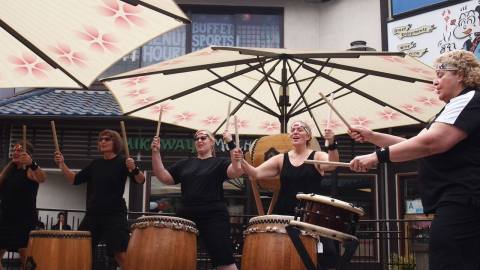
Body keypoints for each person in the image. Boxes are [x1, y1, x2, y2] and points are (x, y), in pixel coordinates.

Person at [348, 50, 480, 270]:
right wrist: (373, 137)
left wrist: (375, 157)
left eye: (440, 74)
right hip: (460, 201)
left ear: (460, 74)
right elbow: (415, 144)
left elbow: (430, 144)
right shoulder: (454, 107)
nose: (434, 81)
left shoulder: (468, 99)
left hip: (464, 199)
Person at [238, 121, 340, 269]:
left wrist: (331, 143)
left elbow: (332, 164)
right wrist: (240, 159)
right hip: (285, 216)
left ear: (308, 136)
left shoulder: (317, 155)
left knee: (325, 258)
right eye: (293, 130)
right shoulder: (281, 159)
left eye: (300, 129)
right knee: (284, 256)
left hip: (312, 216)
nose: (295, 132)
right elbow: (255, 174)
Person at [151, 130, 243, 270]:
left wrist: (230, 143)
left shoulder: (219, 162)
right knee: (178, 258)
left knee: (223, 260)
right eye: (197, 138)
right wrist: (156, 152)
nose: (199, 140)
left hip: (213, 215)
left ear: (212, 142)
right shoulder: (185, 163)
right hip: (186, 215)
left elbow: (237, 170)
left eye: (203, 138)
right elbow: (163, 176)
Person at [54, 129, 145, 269]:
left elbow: (140, 180)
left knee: (119, 253)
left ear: (115, 142)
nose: (102, 141)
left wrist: (134, 169)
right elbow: (74, 179)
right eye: (100, 139)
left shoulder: (123, 162)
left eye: (107, 139)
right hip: (94, 213)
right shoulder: (95, 164)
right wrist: (62, 164)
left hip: (114, 213)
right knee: (80, 247)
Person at [0, 141, 47, 270]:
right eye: (14, 150)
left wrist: (32, 163)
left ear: (27, 154)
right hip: (5, 219)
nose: (15, 152)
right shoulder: (9, 170)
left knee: (27, 261)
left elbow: (42, 178)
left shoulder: (30, 170)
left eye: (19, 150)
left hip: (24, 221)